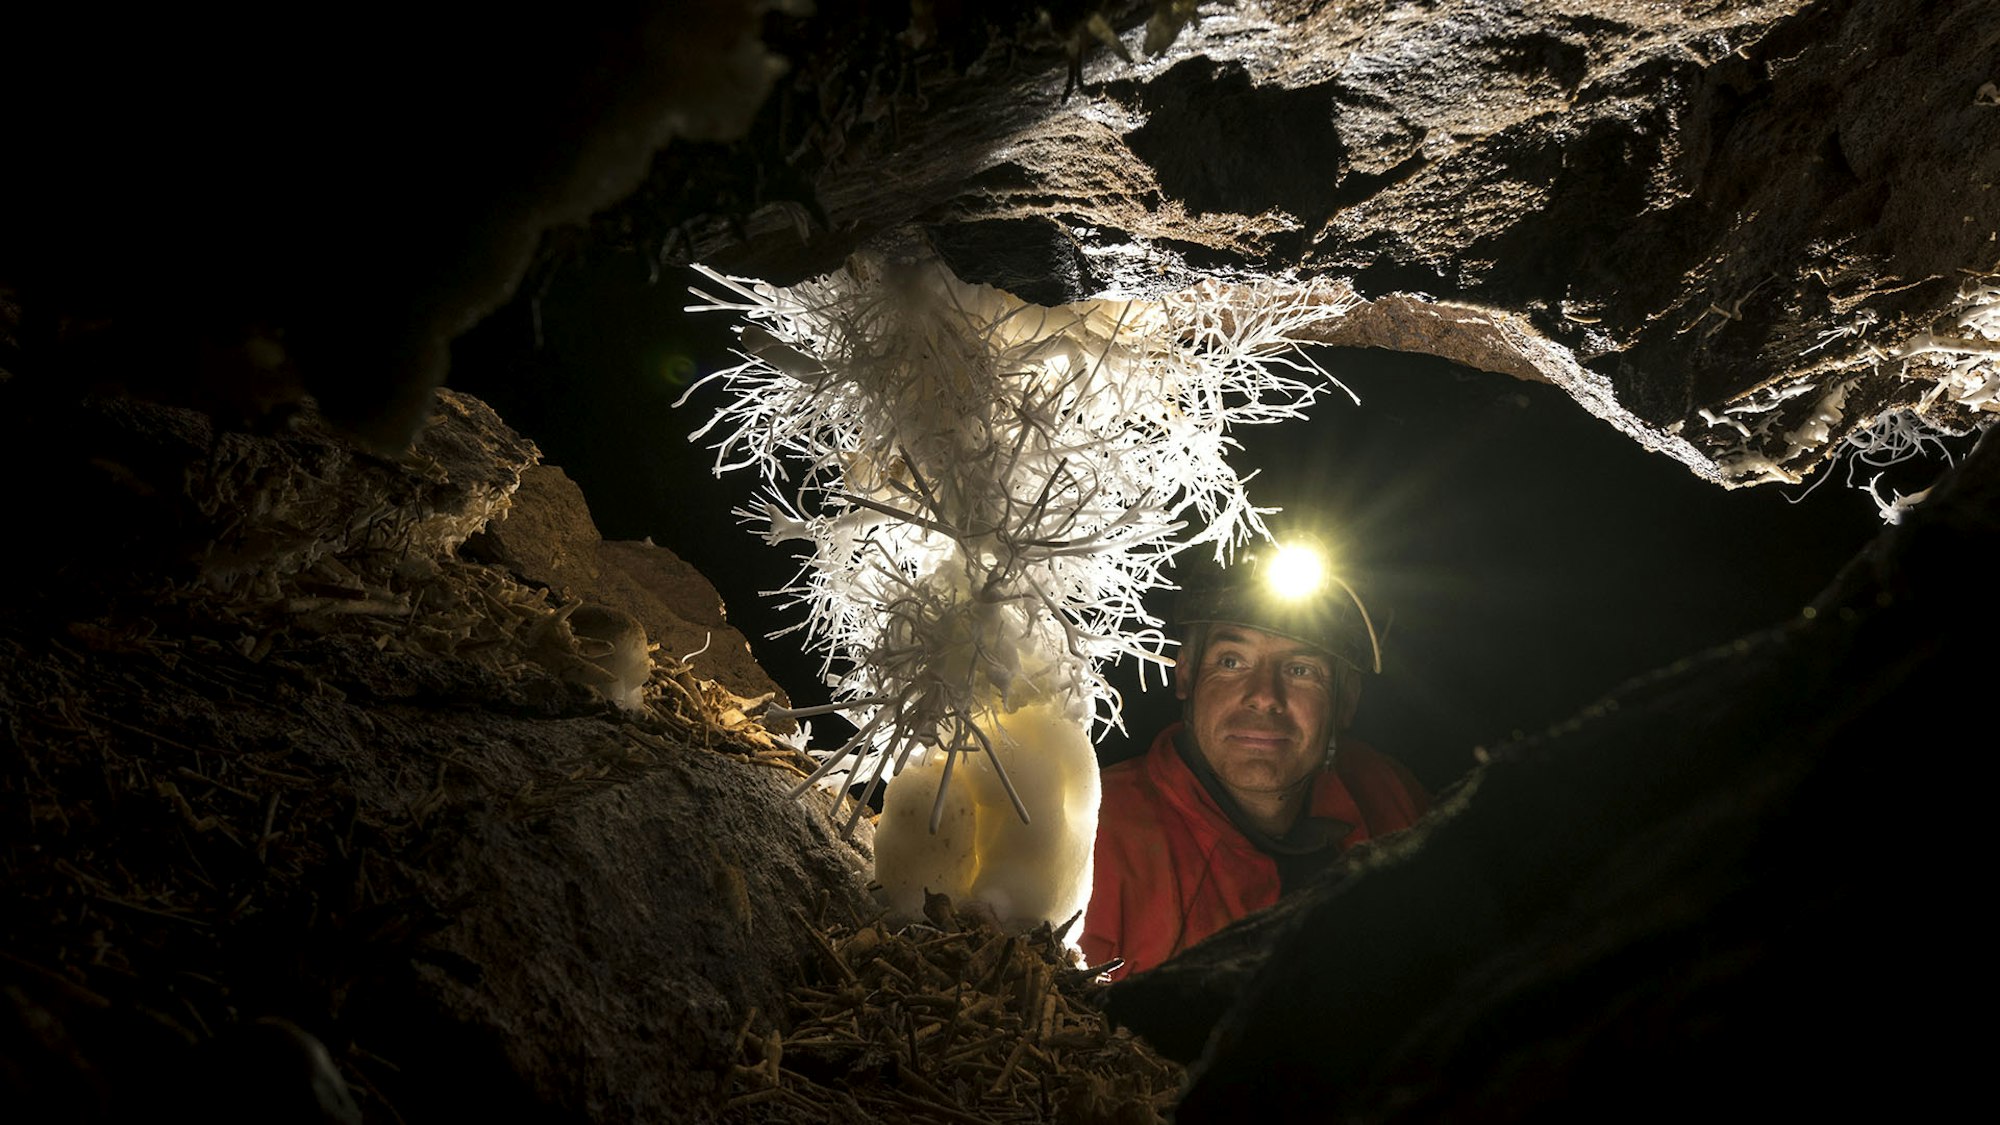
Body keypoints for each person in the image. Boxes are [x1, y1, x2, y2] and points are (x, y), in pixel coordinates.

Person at [1080, 540, 1430, 978]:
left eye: (1301, 669)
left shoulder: (1391, 801)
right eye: (1231, 661)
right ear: (1185, 674)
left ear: (1347, 702)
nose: (1264, 696)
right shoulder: (1094, 842)